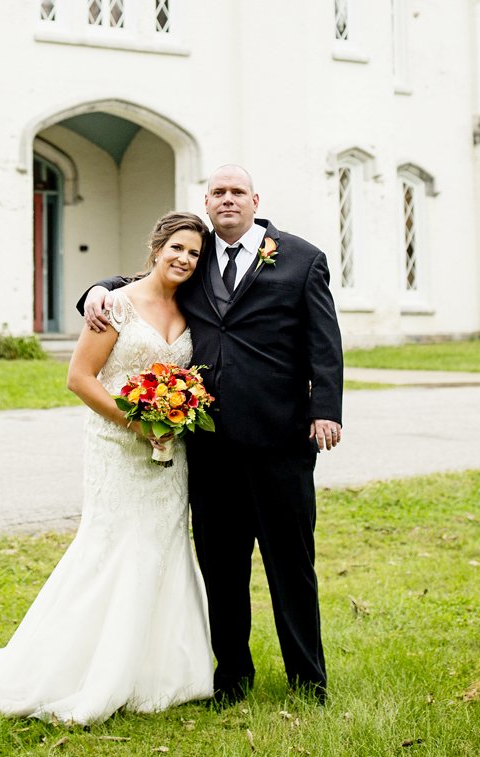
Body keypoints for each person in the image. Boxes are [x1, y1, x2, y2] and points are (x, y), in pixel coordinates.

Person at [0, 212, 214, 725]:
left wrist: (172, 418)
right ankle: (83, 668)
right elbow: (80, 377)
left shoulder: (190, 308)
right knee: (113, 546)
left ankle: (160, 671)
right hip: (117, 445)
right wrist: (138, 424)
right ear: (157, 247)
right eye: (177, 248)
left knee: (163, 545)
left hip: (169, 450)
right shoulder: (113, 304)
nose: (184, 259)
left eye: (194, 254)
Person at [79, 164, 342, 704]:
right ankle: (232, 678)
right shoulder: (195, 261)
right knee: (221, 570)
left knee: (290, 566)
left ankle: (308, 681)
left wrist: (327, 410)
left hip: (279, 442)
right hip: (209, 447)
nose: (227, 200)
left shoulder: (300, 259)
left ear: (254, 200)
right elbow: (142, 282)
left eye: (236, 192)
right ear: (207, 200)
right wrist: (96, 289)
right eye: (217, 192)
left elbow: (325, 344)